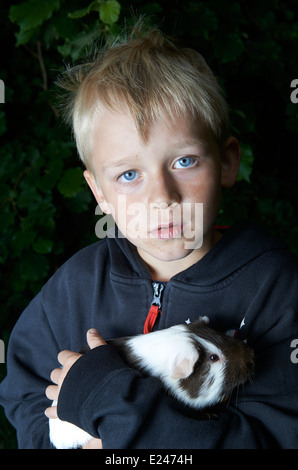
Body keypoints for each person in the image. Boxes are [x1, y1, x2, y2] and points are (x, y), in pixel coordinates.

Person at [0, 21, 298, 449]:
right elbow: (25, 393)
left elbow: (278, 436)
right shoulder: (76, 285)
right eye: (128, 174)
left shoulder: (275, 287)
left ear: (228, 162)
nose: (162, 196)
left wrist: (122, 419)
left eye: (184, 162)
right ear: (99, 192)